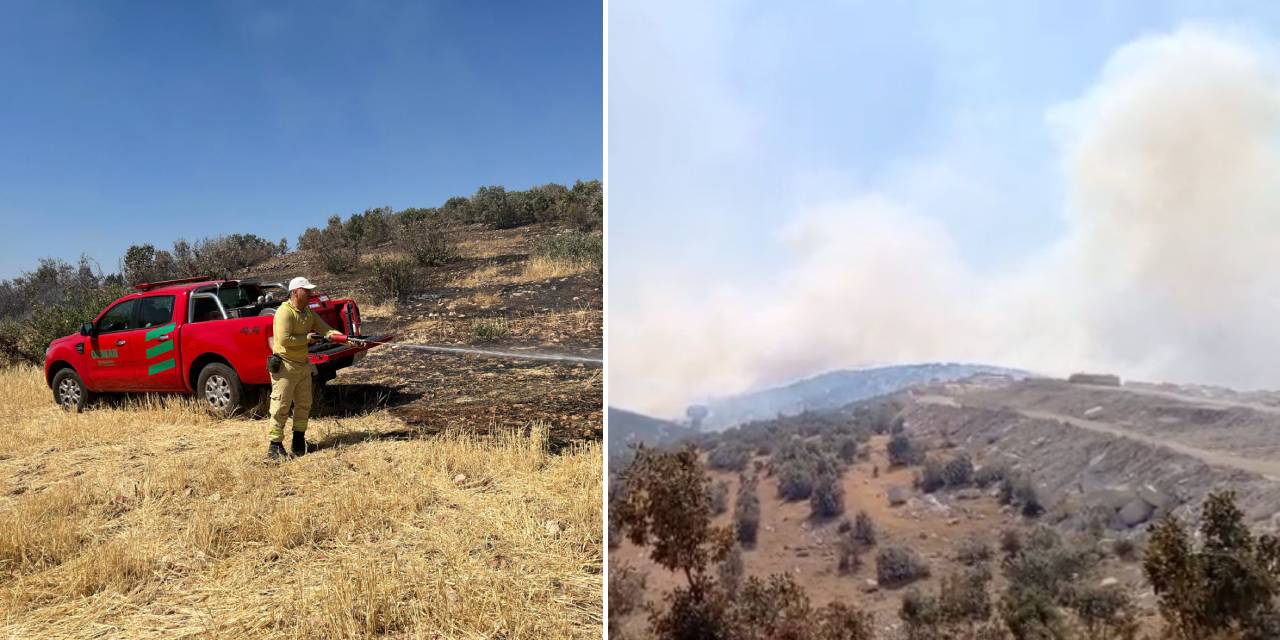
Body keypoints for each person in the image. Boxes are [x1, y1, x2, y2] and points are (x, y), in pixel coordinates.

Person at [267, 276, 346, 459]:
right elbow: (284, 339)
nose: (310, 294)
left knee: (304, 405)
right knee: (281, 406)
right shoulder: (284, 312)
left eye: (310, 290)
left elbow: (325, 329)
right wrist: (307, 339)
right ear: (295, 292)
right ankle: (275, 446)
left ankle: (298, 442)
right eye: (307, 290)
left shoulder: (308, 313)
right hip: (285, 366)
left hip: (302, 365)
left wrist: (343, 338)